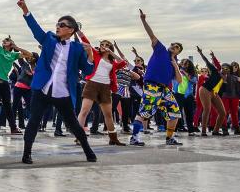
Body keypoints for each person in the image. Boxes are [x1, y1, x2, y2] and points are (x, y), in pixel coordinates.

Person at [16, 0, 96, 164]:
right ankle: (26, 153)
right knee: (34, 121)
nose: (58, 27)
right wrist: (25, 10)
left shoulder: (77, 48)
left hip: (63, 92)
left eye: (62, 25)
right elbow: (35, 29)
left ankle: (88, 150)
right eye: (57, 24)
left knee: (74, 124)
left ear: (71, 30)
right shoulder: (49, 39)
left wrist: (89, 55)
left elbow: (88, 70)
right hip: (42, 89)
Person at [130, 9, 183, 146]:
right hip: (152, 85)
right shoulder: (161, 49)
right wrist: (143, 20)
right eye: (173, 45)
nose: (173, 47)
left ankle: (169, 138)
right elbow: (151, 35)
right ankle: (134, 137)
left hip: (164, 89)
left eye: (176, 47)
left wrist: (175, 66)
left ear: (178, 51)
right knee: (145, 111)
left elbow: (179, 80)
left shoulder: (174, 63)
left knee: (174, 111)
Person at [77, 33, 128, 146]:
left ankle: (113, 138)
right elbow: (86, 41)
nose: (103, 46)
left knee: (108, 114)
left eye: (107, 45)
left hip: (105, 87)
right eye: (102, 44)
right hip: (92, 84)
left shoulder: (112, 63)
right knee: (84, 111)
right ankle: (79, 137)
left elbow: (123, 62)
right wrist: (78, 31)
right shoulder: (95, 54)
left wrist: (110, 52)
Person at [195, 47, 227, 137]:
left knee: (222, 113)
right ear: (221, 68)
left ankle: (215, 131)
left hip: (213, 93)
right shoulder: (215, 71)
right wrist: (201, 53)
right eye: (223, 68)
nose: (224, 70)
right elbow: (206, 62)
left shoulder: (224, 78)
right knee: (207, 109)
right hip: (205, 89)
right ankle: (204, 131)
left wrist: (224, 81)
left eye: (227, 69)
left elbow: (223, 91)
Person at [221, 61, 240, 135]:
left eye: (236, 66)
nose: (234, 68)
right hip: (225, 96)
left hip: (235, 97)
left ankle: (236, 129)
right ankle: (224, 129)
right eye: (233, 66)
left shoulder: (239, 77)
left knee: (234, 113)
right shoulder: (225, 75)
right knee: (224, 113)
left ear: (238, 68)